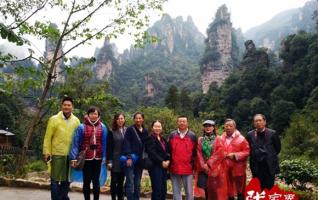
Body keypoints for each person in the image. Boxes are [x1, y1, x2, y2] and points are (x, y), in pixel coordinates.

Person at [43, 97, 80, 200]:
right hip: (56, 153)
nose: (66, 107)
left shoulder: (76, 121)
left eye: (69, 105)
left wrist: (76, 155)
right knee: (54, 179)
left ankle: (63, 197)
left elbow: (77, 139)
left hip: (70, 155)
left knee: (67, 179)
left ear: (72, 107)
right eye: (65, 105)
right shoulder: (54, 119)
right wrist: (46, 152)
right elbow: (47, 137)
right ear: (61, 106)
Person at [69, 106, 108, 200]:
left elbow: (105, 143)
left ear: (98, 115)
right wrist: (73, 157)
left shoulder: (103, 127)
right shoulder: (81, 127)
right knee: (86, 181)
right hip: (86, 158)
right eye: (91, 113)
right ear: (88, 115)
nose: (93, 115)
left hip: (97, 158)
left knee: (96, 182)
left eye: (95, 114)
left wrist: (105, 157)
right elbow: (75, 143)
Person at [208, 119, 249, 200]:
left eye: (230, 126)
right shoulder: (220, 138)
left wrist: (235, 155)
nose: (228, 128)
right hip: (224, 168)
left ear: (234, 127)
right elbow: (215, 151)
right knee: (227, 190)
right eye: (226, 126)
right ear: (224, 127)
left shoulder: (241, 139)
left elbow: (247, 151)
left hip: (238, 168)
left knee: (240, 190)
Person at [246, 114, 281, 190]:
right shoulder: (250, 135)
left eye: (260, 120)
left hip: (269, 166)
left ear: (265, 122)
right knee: (257, 187)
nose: (258, 122)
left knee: (269, 188)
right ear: (254, 123)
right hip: (256, 166)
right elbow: (248, 149)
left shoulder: (273, 133)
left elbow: (278, 149)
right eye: (256, 121)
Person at [168, 115, 197, 200]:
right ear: (177, 123)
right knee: (176, 192)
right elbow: (168, 151)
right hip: (174, 167)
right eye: (180, 121)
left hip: (188, 168)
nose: (182, 123)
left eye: (184, 121)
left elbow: (195, 153)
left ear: (187, 123)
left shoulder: (192, 136)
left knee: (189, 192)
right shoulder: (172, 135)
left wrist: (195, 167)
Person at [122, 112, 149, 200]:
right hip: (131, 159)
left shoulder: (145, 131)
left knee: (137, 183)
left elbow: (147, 145)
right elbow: (126, 143)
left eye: (140, 118)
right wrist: (129, 157)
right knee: (130, 182)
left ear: (143, 119)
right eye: (136, 118)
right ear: (134, 119)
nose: (138, 120)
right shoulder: (130, 129)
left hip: (140, 160)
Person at [145, 120, 170, 200]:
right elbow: (152, 153)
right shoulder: (150, 138)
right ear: (152, 128)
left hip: (164, 167)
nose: (157, 128)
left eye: (159, 126)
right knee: (157, 189)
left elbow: (168, 152)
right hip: (155, 166)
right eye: (155, 126)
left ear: (161, 128)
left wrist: (168, 161)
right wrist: (162, 162)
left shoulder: (163, 139)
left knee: (163, 189)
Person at [107, 113, 127, 200]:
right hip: (115, 160)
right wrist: (109, 161)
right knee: (114, 181)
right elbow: (109, 147)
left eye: (122, 118)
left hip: (124, 160)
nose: (120, 120)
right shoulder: (111, 131)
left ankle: (120, 197)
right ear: (115, 120)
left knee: (121, 181)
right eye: (118, 119)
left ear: (124, 119)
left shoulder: (127, 130)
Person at [196, 120, 217, 199]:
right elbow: (199, 153)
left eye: (210, 126)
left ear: (213, 128)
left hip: (214, 168)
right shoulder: (200, 140)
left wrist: (209, 164)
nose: (207, 128)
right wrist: (203, 165)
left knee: (214, 189)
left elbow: (219, 154)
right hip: (203, 168)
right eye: (206, 126)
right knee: (205, 188)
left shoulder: (218, 139)